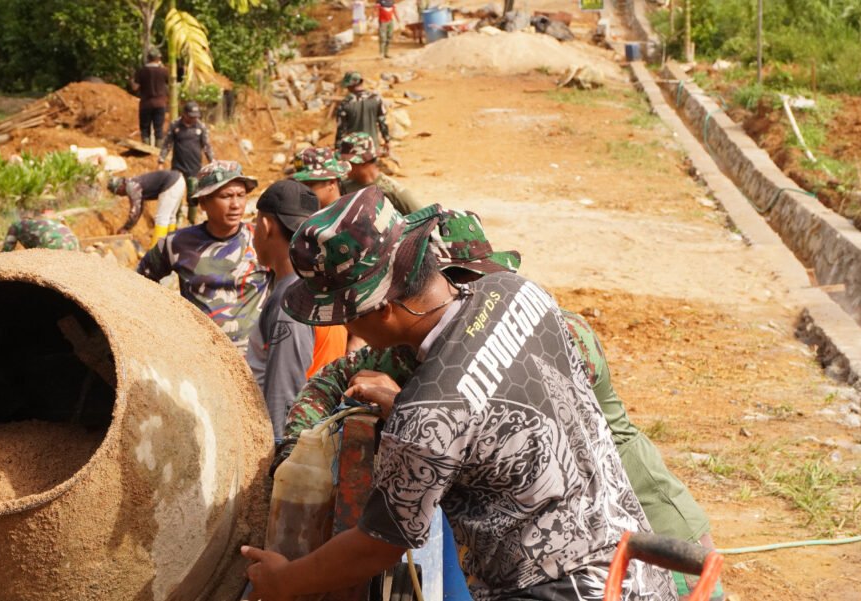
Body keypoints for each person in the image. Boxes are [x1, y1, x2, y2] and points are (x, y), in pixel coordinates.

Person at [241, 188, 677, 601]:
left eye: (345, 317)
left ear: (382, 307)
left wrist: (285, 580)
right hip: (634, 568)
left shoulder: (426, 415)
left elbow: (378, 545)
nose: (349, 331)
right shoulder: (517, 292)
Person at [248, 180, 348, 442]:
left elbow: (283, 396)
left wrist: (275, 461)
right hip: (320, 435)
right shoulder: (321, 285)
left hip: (296, 445)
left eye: (256, 223)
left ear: (267, 226)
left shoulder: (291, 302)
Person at [137, 161, 267, 361]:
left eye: (241, 195)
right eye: (226, 196)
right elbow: (140, 282)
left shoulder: (262, 239)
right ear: (204, 202)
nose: (236, 204)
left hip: (254, 359)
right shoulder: (177, 243)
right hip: (202, 359)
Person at [338, 132, 423, 215]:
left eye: (347, 161)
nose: (342, 165)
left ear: (362, 161)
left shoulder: (392, 191)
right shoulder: (342, 185)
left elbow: (425, 219)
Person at [158, 101, 215, 223]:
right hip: (178, 167)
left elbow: (207, 146)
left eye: (196, 116)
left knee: (192, 195)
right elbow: (167, 144)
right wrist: (161, 161)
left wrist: (213, 162)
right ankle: (177, 218)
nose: (194, 119)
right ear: (184, 114)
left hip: (194, 168)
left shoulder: (200, 127)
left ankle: (191, 220)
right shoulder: (175, 125)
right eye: (191, 116)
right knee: (176, 194)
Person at [107, 170, 187, 246]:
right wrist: (127, 228)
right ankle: (169, 246)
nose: (120, 195)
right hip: (179, 180)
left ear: (120, 186)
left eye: (118, 192)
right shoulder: (135, 184)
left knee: (161, 218)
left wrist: (125, 228)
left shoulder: (131, 187)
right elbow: (139, 208)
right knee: (171, 217)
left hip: (171, 182)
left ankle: (155, 252)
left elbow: (135, 211)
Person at [334, 72, 390, 153]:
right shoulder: (376, 99)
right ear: (361, 82)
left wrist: (337, 147)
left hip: (354, 150)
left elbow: (341, 129)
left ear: (349, 86)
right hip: (372, 147)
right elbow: (383, 122)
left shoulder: (344, 104)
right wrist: (387, 140)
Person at [131, 47, 169, 146]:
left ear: (148, 58)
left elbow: (135, 87)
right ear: (158, 59)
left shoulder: (141, 71)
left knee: (145, 128)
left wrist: (131, 80)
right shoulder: (164, 71)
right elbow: (170, 83)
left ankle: (146, 148)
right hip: (160, 103)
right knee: (159, 128)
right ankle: (158, 150)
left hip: (146, 104)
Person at [1, 210, 80, 252]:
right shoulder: (41, 223)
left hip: (53, 242)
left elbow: (6, 251)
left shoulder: (16, 225)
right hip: (74, 242)